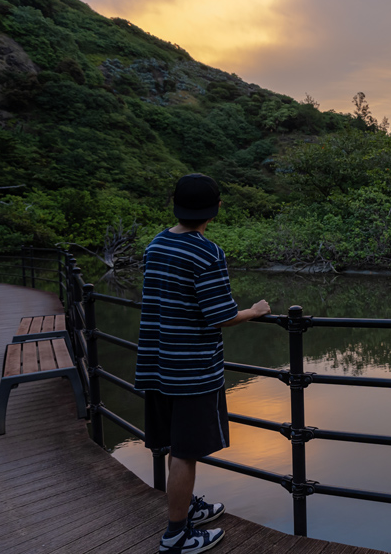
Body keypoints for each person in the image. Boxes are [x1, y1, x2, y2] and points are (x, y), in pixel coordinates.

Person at [134, 173, 271, 554]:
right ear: (217, 208)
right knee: (186, 451)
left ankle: (184, 507)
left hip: (157, 362)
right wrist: (255, 311)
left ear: (174, 204)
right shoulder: (206, 252)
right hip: (191, 368)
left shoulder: (156, 244)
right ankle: (177, 535)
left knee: (174, 445)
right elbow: (220, 315)